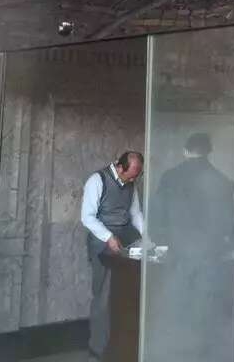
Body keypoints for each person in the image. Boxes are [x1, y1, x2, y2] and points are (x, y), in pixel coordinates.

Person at [149, 133, 234, 362]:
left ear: (185, 150)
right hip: (210, 256)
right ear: (209, 151)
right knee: (204, 314)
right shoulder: (222, 180)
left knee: (175, 310)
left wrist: (161, 241)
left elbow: (157, 216)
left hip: (178, 255)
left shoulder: (170, 177)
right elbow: (228, 222)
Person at [80, 150, 145, 360]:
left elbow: (135, 214)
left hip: (125, 240)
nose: (133, 180)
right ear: (119, 167)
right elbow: (87, 217)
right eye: (131, 176)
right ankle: (99, 349)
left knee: (126, 295)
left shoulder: (131, 183)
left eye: (136, 177)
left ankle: (122, 347)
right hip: (103, 244)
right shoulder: (97, 180)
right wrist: (108, 237)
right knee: (104, 298)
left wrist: (147, 237)